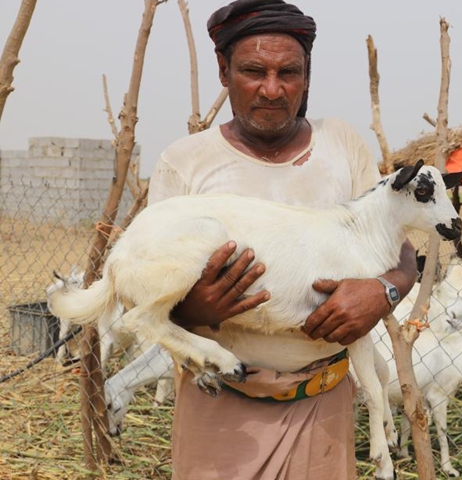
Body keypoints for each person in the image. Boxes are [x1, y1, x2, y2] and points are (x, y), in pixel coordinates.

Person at [146, 1, 417, 478]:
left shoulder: (342, 145)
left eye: (288, 73)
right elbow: (147, 287)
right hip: (220, 413)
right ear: (224, 70)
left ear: (307, 77)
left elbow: (400, 252)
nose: (272, 89)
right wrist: (193, 309)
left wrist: (383, 291)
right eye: (254, 71)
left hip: (324, 403)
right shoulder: (185, 163)